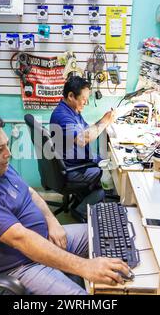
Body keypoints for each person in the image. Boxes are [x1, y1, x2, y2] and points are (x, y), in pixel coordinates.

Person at [0, 114, 130, 295]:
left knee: (113, 234)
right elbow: (21, 239)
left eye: (7, 145)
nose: (8, 154)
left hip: (44, 241)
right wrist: (85, 267)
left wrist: (52, 221)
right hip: (16, 268)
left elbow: (31, 193)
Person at [50, 76, 116, 220]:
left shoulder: (73, 112)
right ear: (71, 96)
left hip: (77, 161)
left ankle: (84, 196)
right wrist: (105, 121)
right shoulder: (62, 116)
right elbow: (82, 139)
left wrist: (105, 119)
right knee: (107, 177)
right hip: (72, 168)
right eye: (84, 98)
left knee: (103, 163)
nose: (86, 102)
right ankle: (80, 210)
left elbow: (87, 130)